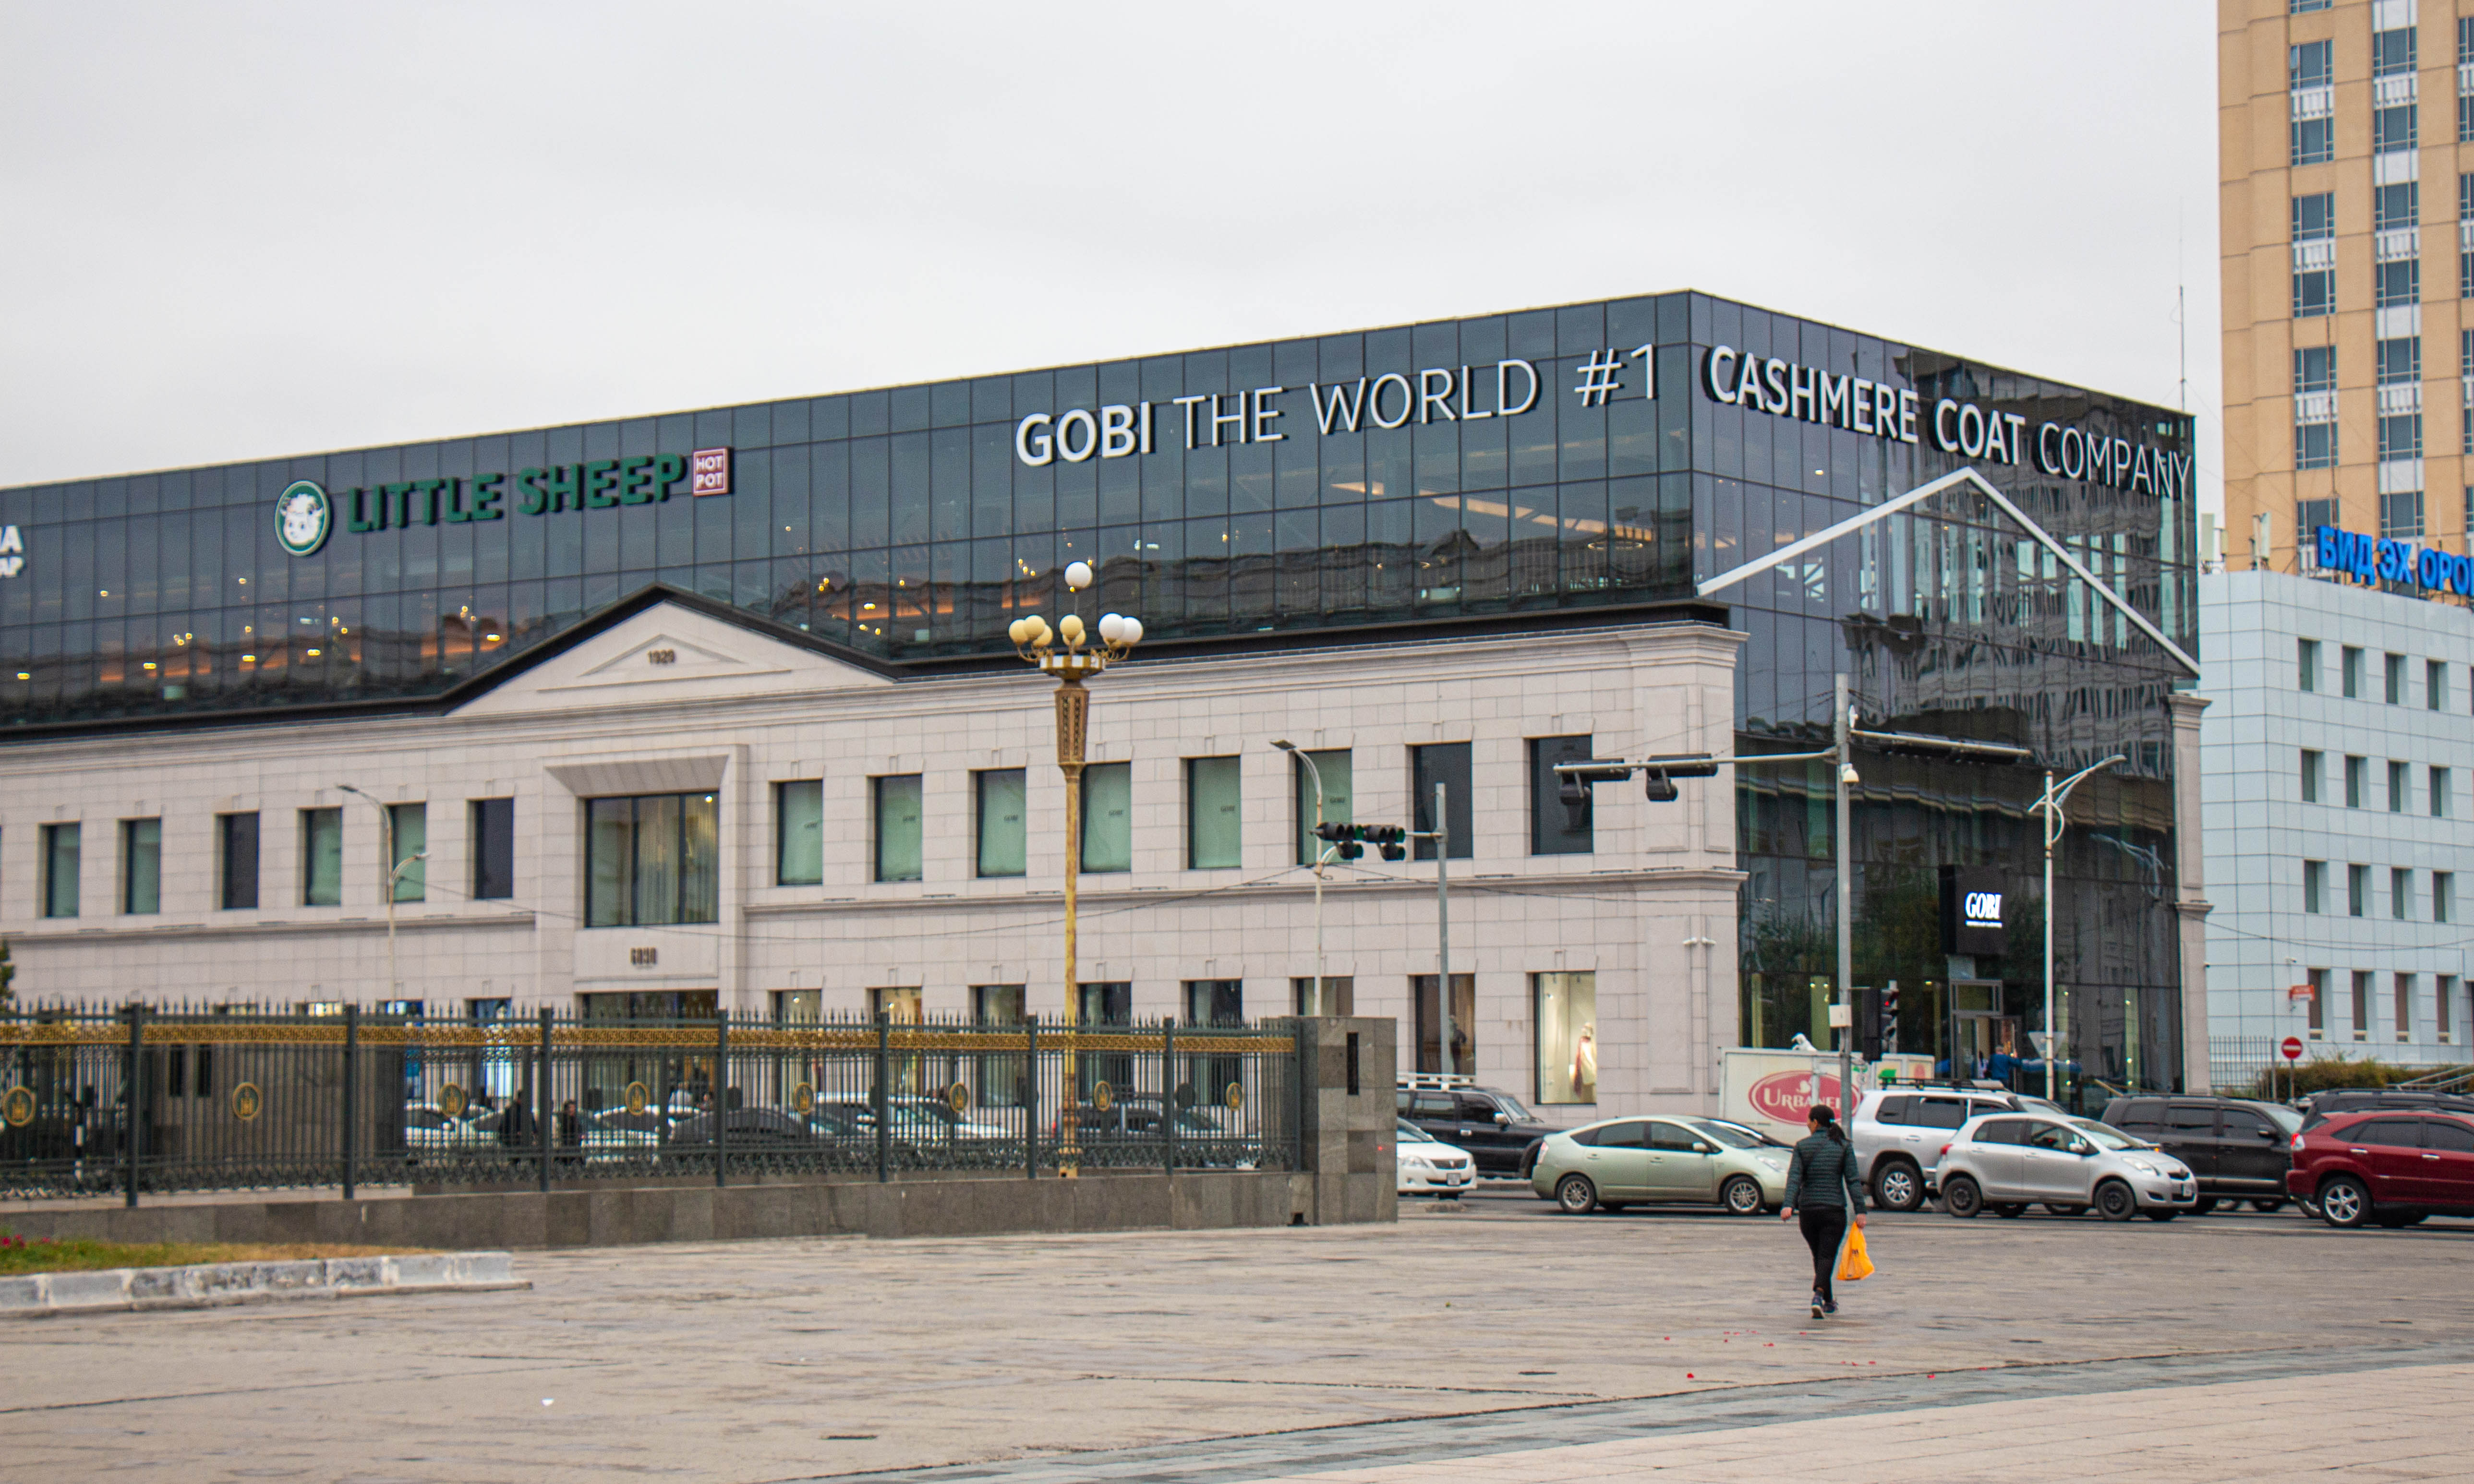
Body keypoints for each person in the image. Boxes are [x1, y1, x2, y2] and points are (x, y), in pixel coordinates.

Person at [1779, 1102, 1865, 1318]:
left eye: (1808, 1121)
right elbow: (1853, 1181)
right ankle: (1818, 1295)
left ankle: (1828, 1302)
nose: (1807, 1125)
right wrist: (1861, 1210)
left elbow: (1794, 1178)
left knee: (1820, 1256)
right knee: (1826, 1256)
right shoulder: (1844, 1146)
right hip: (1834, 1211)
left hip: (1808, 1212)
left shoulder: (1802, 1146)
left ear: (1816, 1123)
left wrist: (1788, 1204)